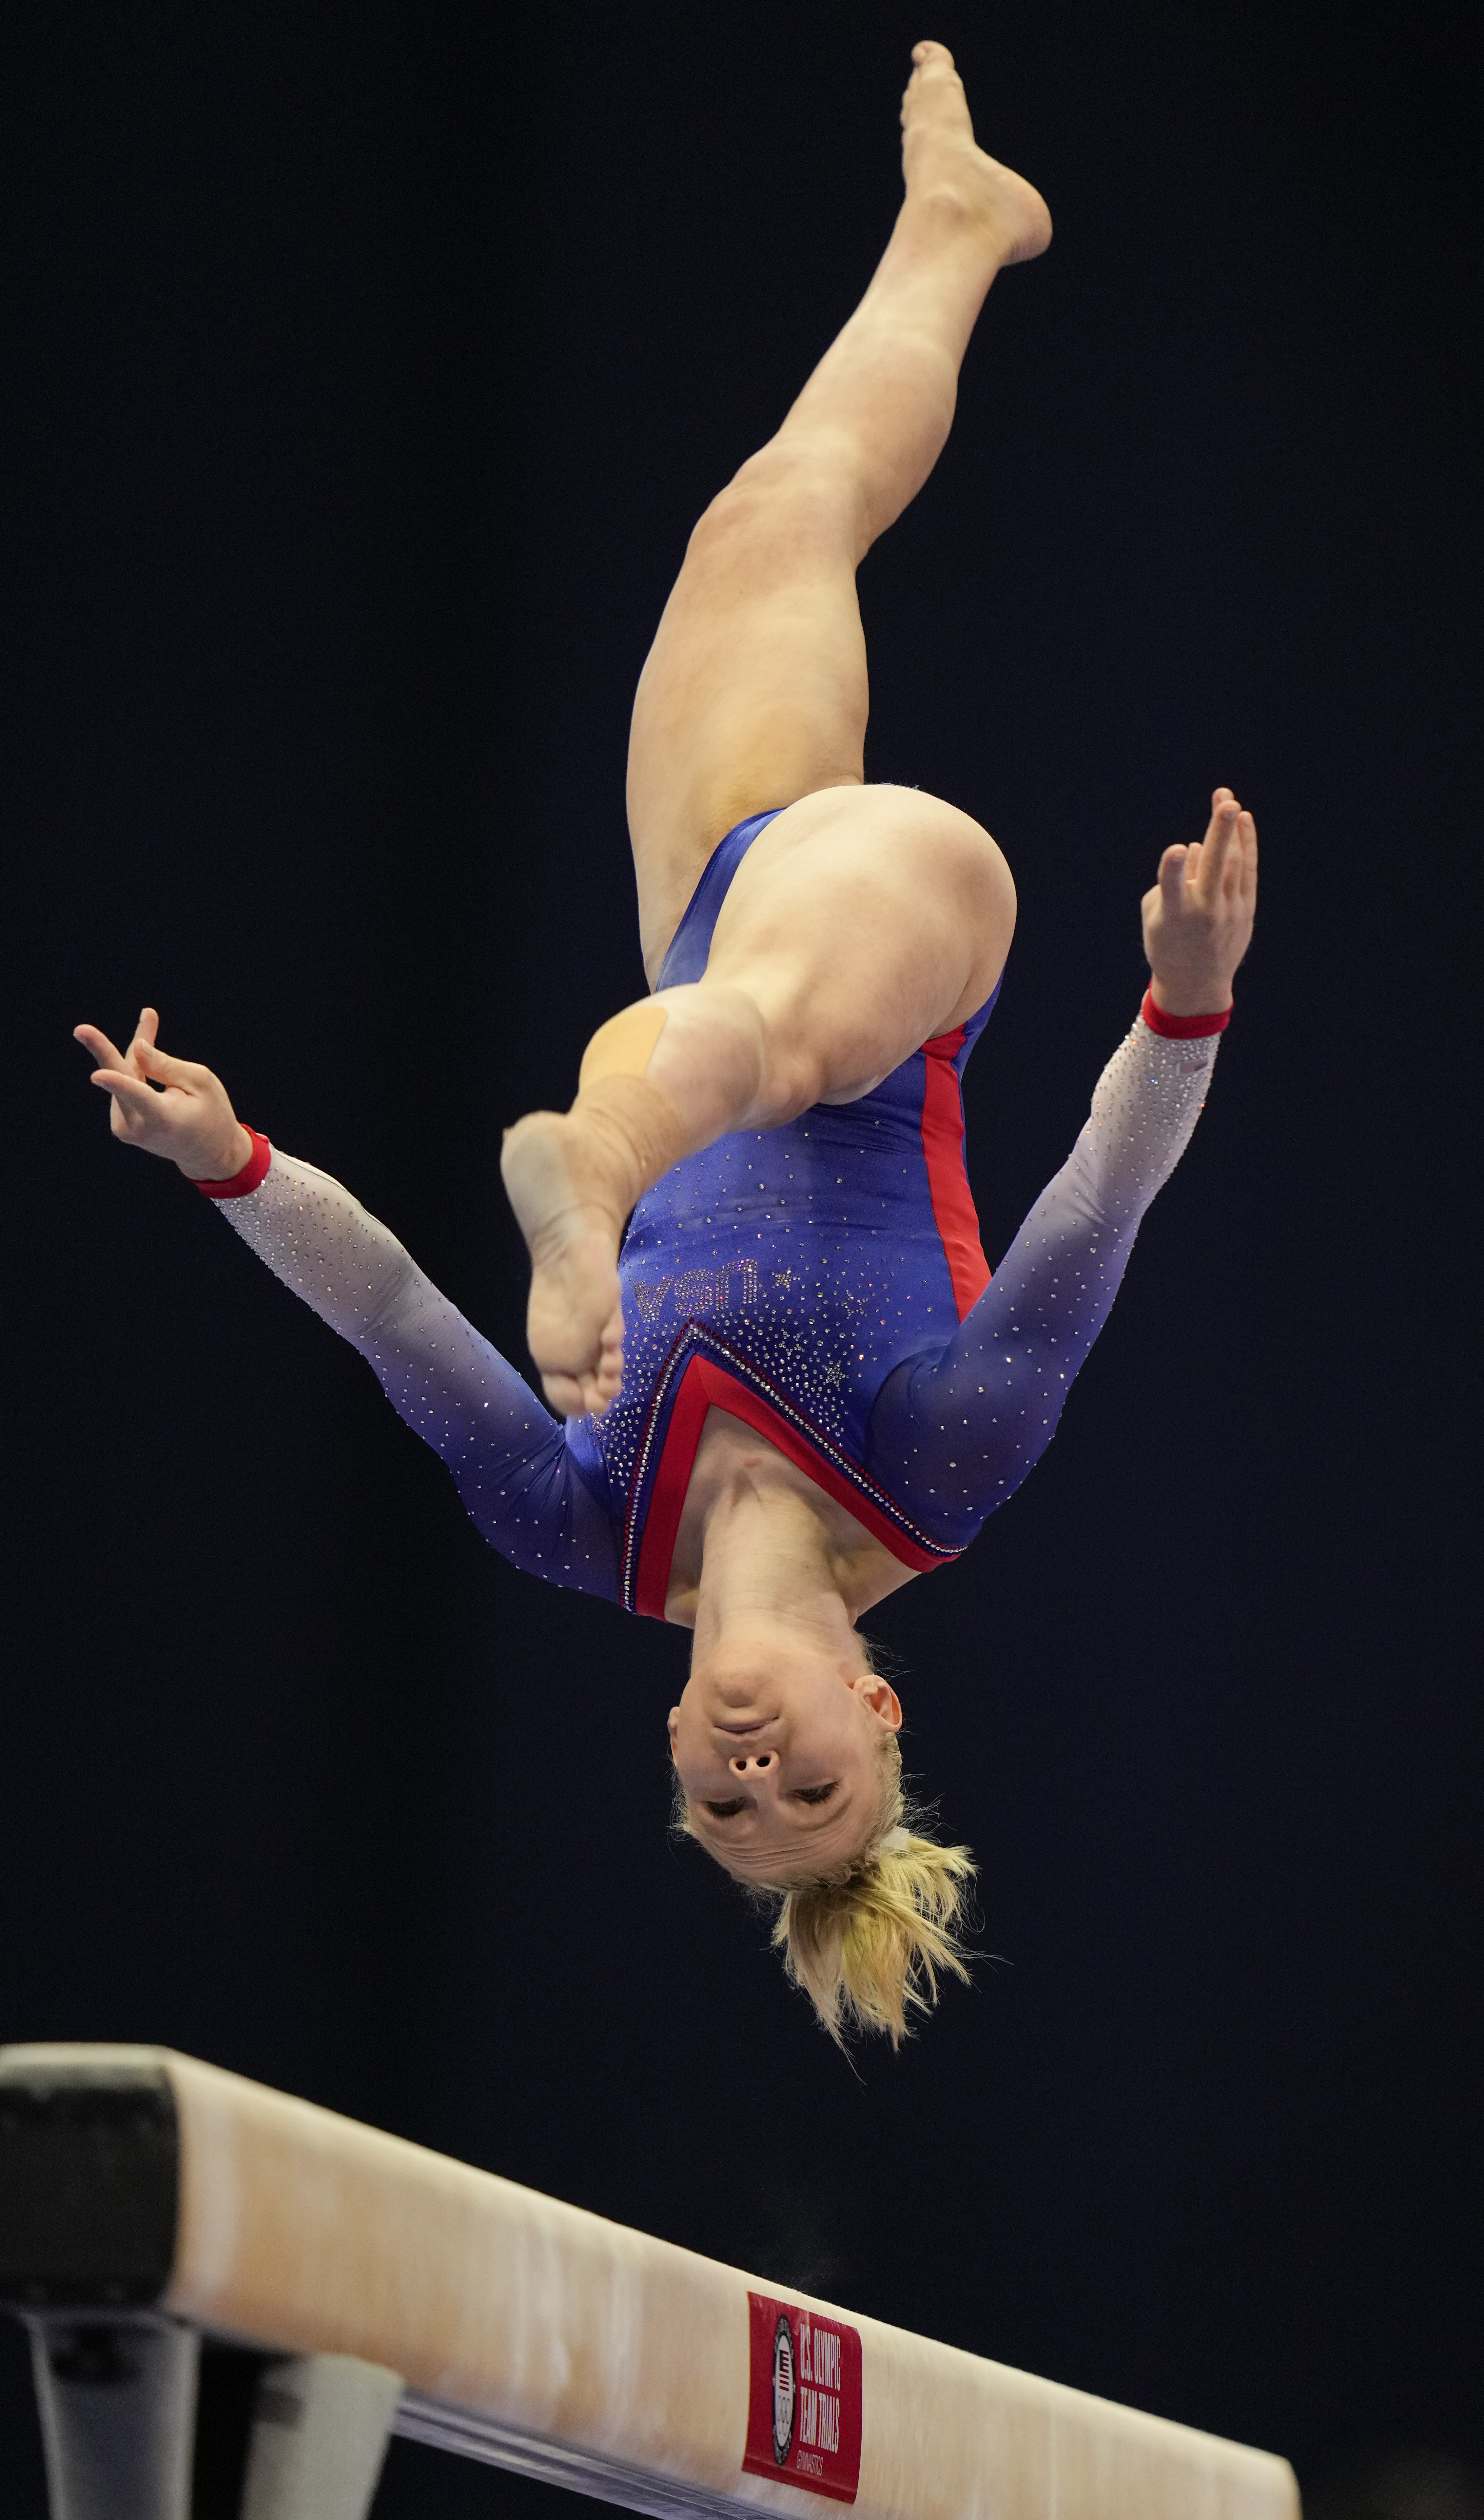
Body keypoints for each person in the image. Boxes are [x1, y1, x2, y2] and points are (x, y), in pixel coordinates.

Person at [75, 42, 1258, 2045]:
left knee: (768, 521)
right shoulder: (933, 1465)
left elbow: (380, 1314)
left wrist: (227, 1166)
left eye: (723, 1802)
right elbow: (1094, 1208)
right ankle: (586, 1178)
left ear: (673, 1758)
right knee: (769, 1037)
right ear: (877, 1707)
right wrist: (1188, 993)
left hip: (709, 912)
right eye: (815, 1782)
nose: (754, 1761)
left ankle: (958, 231)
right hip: (900, 941)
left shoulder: (571, 1514)